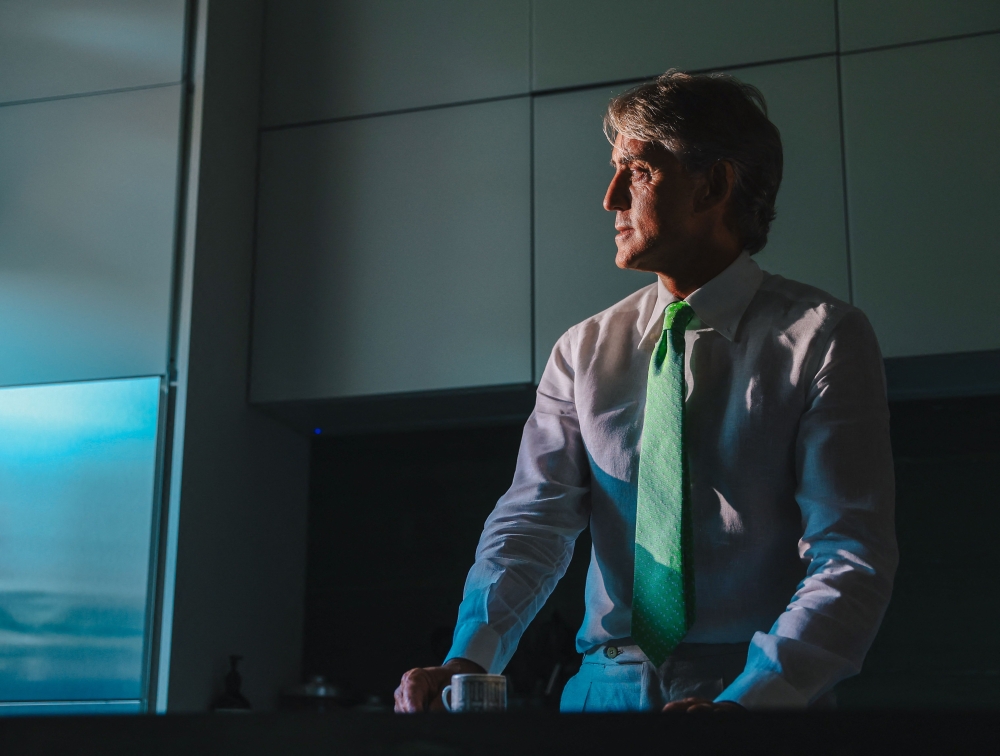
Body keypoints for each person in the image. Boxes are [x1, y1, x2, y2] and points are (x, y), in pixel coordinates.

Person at [395, 70, 897, 713]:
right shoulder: (583, 350)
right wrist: (469, 657)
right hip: (600, 695)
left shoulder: (823, 338)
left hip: (754, 702)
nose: (609, 198)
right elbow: (534, 518)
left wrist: (751, 705)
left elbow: (850, 556)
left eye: (636, 171)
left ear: (713, 185)